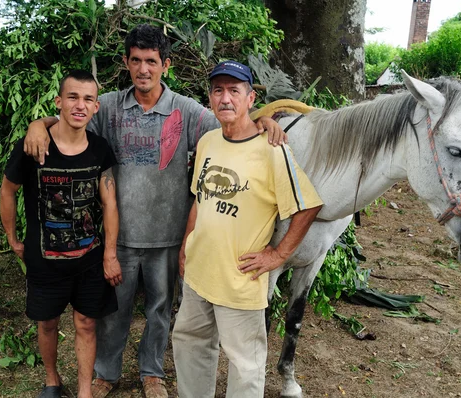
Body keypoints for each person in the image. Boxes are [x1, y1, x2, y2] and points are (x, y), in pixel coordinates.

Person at [24, 24, 286, 398]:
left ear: (166, 64)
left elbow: (232, 125)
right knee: (114, 311)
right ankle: (106, 372)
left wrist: (262, 120)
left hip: (169, 235)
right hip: (121, 236)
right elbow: (72, 119)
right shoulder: (110, 106)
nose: (143, 69)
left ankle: (152, 372)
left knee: (160, 311)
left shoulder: (188, 111)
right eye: (136, 61)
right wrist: (40, 123)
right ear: (126, 63)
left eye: (151, 61)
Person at [172, 61, 323, 397]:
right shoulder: (209, 142)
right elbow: (200, 198)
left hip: (240, 279)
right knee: (190, 344)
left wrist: (278, 254)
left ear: (250, 97)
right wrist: (186, 245)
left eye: (234, 90)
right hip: (199, 273)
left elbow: (308, 205)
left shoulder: (272, 150)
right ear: (210, 97)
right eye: (218, 90)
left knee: (245, 365)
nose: (225, 98)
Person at [0, 70, 121, 398]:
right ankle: (52, 381)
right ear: (59, 102)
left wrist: (109, 253)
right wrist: (12, 238)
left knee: (86, 324)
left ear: (96, 107)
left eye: (87, 99)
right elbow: (8, 190)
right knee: (48, 323)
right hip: (45, 259)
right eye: (72, 97)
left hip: (89, 259)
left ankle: (84, 392)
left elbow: (109, 203)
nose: (79, 105)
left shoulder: (100, 149)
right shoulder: (33, 146)